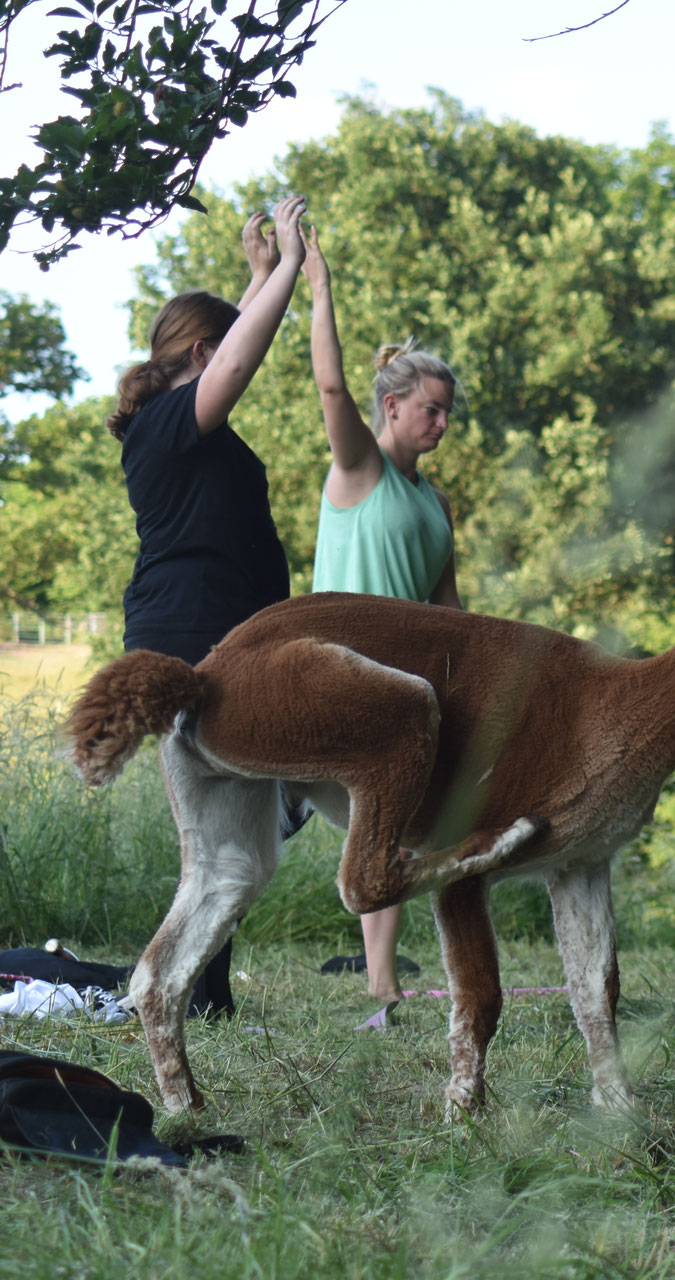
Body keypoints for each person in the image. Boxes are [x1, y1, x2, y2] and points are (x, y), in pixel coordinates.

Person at [110, 194, 310, 1018]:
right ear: (202, 350)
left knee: (231, 832)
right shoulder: (167, 422)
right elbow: (236, 363)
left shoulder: (182, 429)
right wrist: (288, 270)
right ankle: (185, 988)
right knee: (222, 839)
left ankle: (207, 990)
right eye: (223, 350)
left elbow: (226, 361)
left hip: (211, 634)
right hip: (193, 639)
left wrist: (256, 275)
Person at [301, 223, 463, 1009]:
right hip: (340, 670)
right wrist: (317, 284)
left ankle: (381, 982)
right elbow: (332, 387)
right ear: (391, 407)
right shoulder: (359, 466)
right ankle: (380, 983)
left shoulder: (436, 503)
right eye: (430, 411)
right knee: (386, 818)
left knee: (400, 822)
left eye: (447, 414)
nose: (441, 425)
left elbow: (451, 610)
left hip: (410, 686)